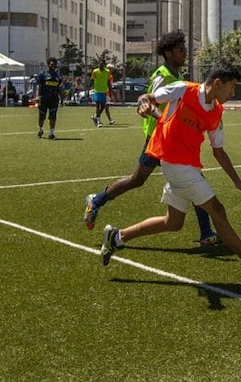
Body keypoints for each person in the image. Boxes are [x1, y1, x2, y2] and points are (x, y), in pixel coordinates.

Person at [99, 63, 241, 281]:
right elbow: (147, 97)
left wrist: (238, 182)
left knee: (173, 223)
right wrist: (143, 105)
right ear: (217, 83)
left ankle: (117, 237)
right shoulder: (183, 89)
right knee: (218, 211)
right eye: (231, 87)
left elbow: (219, 152)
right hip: (175, 165)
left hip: (189, 166)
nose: (233, 93)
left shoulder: (216, 111)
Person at [83, 30, 217, 246]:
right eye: (180, 50)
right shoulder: (162, 76)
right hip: (158, 138)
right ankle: (96, 200)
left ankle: (206, 233)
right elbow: (148, 103)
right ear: (168, 53)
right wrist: (163, 119)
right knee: (138, 179)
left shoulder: (177, 76)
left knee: (194, 177)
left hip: (172, 139)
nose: (185, 53)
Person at [34, 58, 64, 139]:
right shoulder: (42, 74)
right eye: (51, 64)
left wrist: (62, 99)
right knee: (42, 116)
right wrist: (37, 96)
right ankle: (40, 129)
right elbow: (38, 86)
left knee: (53, 116)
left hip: (54, 99)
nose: (53, 66)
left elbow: (60, 88)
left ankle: (51, 133)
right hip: (43, 98)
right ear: (48, 65)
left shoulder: (58, 76)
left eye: (55, 64)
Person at [90, 58, 116, 127]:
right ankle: (98, 121)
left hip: (104, 91)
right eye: (100, 63)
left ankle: (95, 117)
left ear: (104, 64)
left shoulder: (107, 72)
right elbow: (92, 80)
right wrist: (89, 89)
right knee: (98, 107)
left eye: (102, 64)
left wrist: (110, 92)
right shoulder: (95, 71)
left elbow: (108, 83)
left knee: (103, 107)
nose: (100, 65)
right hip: (97, 91)